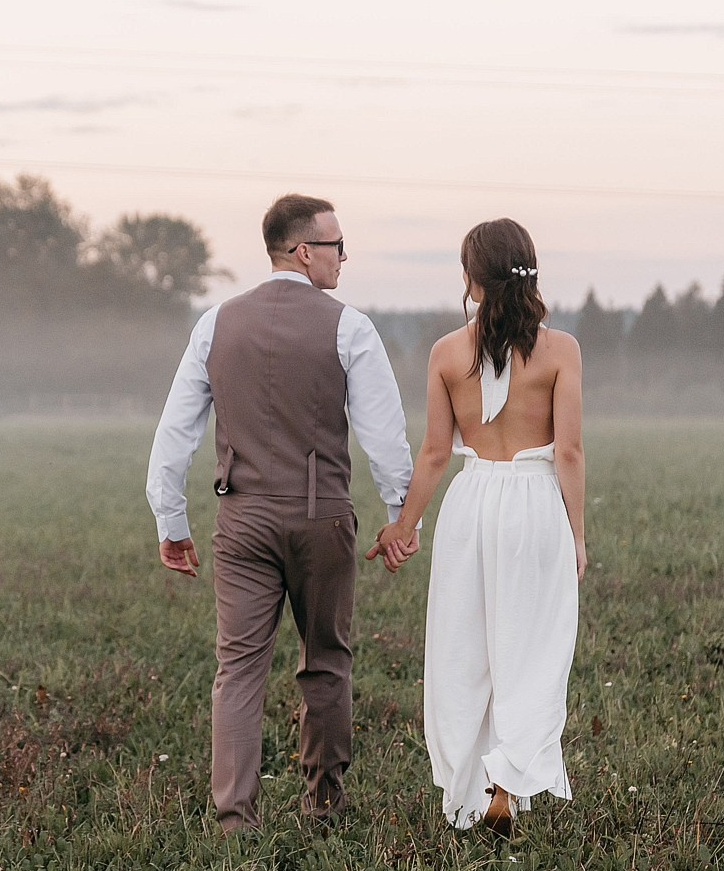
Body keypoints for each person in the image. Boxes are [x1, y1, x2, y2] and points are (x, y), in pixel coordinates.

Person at [146, 194, 415, 834]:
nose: (343, 259)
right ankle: (322, 804)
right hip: (321, 516)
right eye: (336, 246)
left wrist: (172, 522)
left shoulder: (215, 324)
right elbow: (385, 436)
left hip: (240, 518)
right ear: (303, 251)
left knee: (237, 668)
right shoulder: (351, 327)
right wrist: (402, 516)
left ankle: (234, 818)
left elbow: (173, 434)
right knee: (325, 657)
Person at [370, 218, 583, 837]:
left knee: (466, 647)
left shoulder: (444, 353)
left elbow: (435, 453)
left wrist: (404, 526)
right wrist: (578, 533)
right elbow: (568, 453)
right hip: (536, 503)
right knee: (533, 647)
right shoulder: (560, 350)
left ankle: (470, 791)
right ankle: (508, 781)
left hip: (470, 506)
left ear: (471, 278)